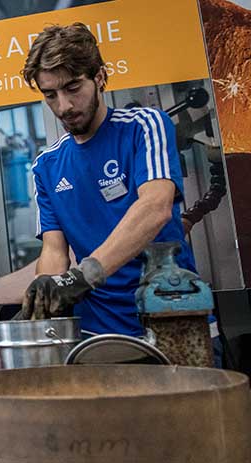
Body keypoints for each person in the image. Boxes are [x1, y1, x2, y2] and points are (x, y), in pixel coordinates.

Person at [18, 24, 198, 338]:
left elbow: (155, 207)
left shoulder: (144, 127)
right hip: (97, 336)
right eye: (50, 95)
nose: (64, 106)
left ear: (100, 77)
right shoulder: (46, 166)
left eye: (73, 88)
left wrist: (82, 277)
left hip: (172, 321)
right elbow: (54, 251)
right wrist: (47, 291)